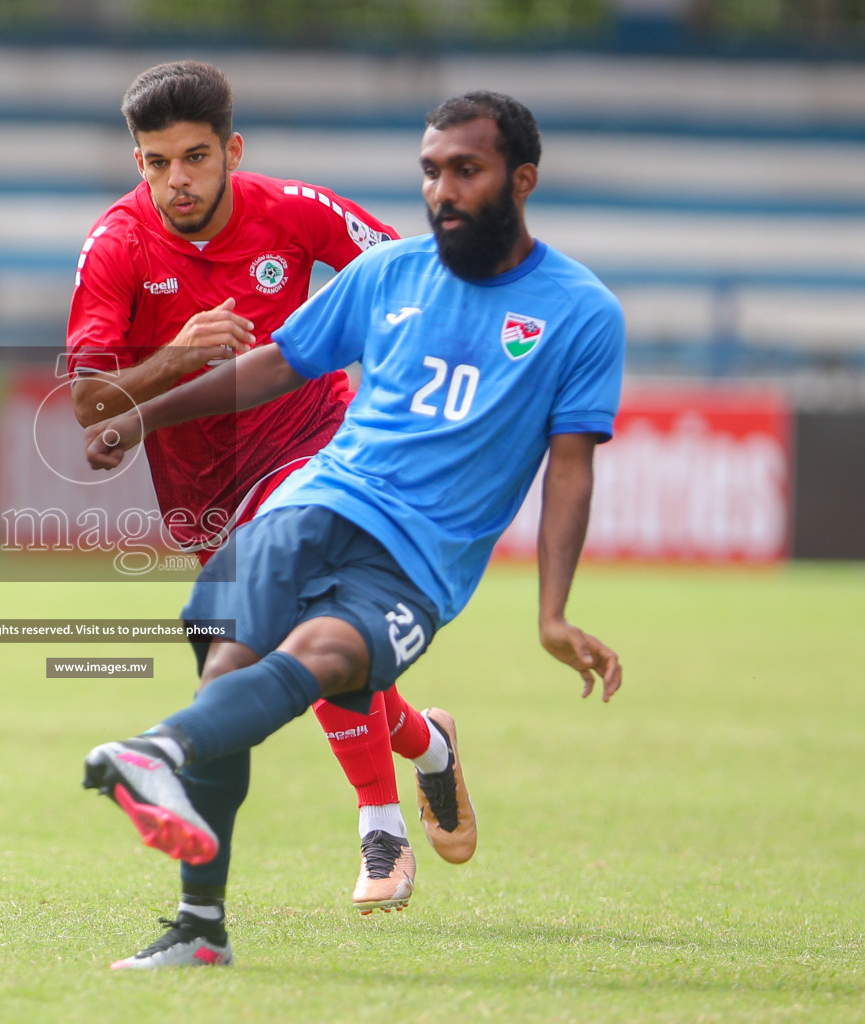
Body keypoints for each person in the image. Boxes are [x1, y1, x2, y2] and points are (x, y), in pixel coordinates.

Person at [80, 90, 625, 967]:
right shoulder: (390, 275)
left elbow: (571, 464)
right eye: (431, 171)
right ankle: (199, 927)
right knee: (227, 661)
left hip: (417, 560)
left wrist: (552, 613)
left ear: (521, 180)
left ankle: (170, 757)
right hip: (318, 502)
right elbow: (272, 365)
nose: (443, 190)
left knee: (328, 658)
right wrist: (146, 414)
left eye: (466, 170)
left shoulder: (582, 312)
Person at [65, 61, 475, 968]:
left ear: (231, 151)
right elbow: (89, 409)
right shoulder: (117, 245)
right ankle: (426, 742)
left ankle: (373, 833)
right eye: (158, 161)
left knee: (259, 647)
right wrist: (170, 359)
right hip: (201, 498)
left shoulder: (296, 210)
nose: (178, 180)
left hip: (319, 455)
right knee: (302, 658)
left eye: (197, 157)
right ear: (138, 161)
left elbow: (422, 282)